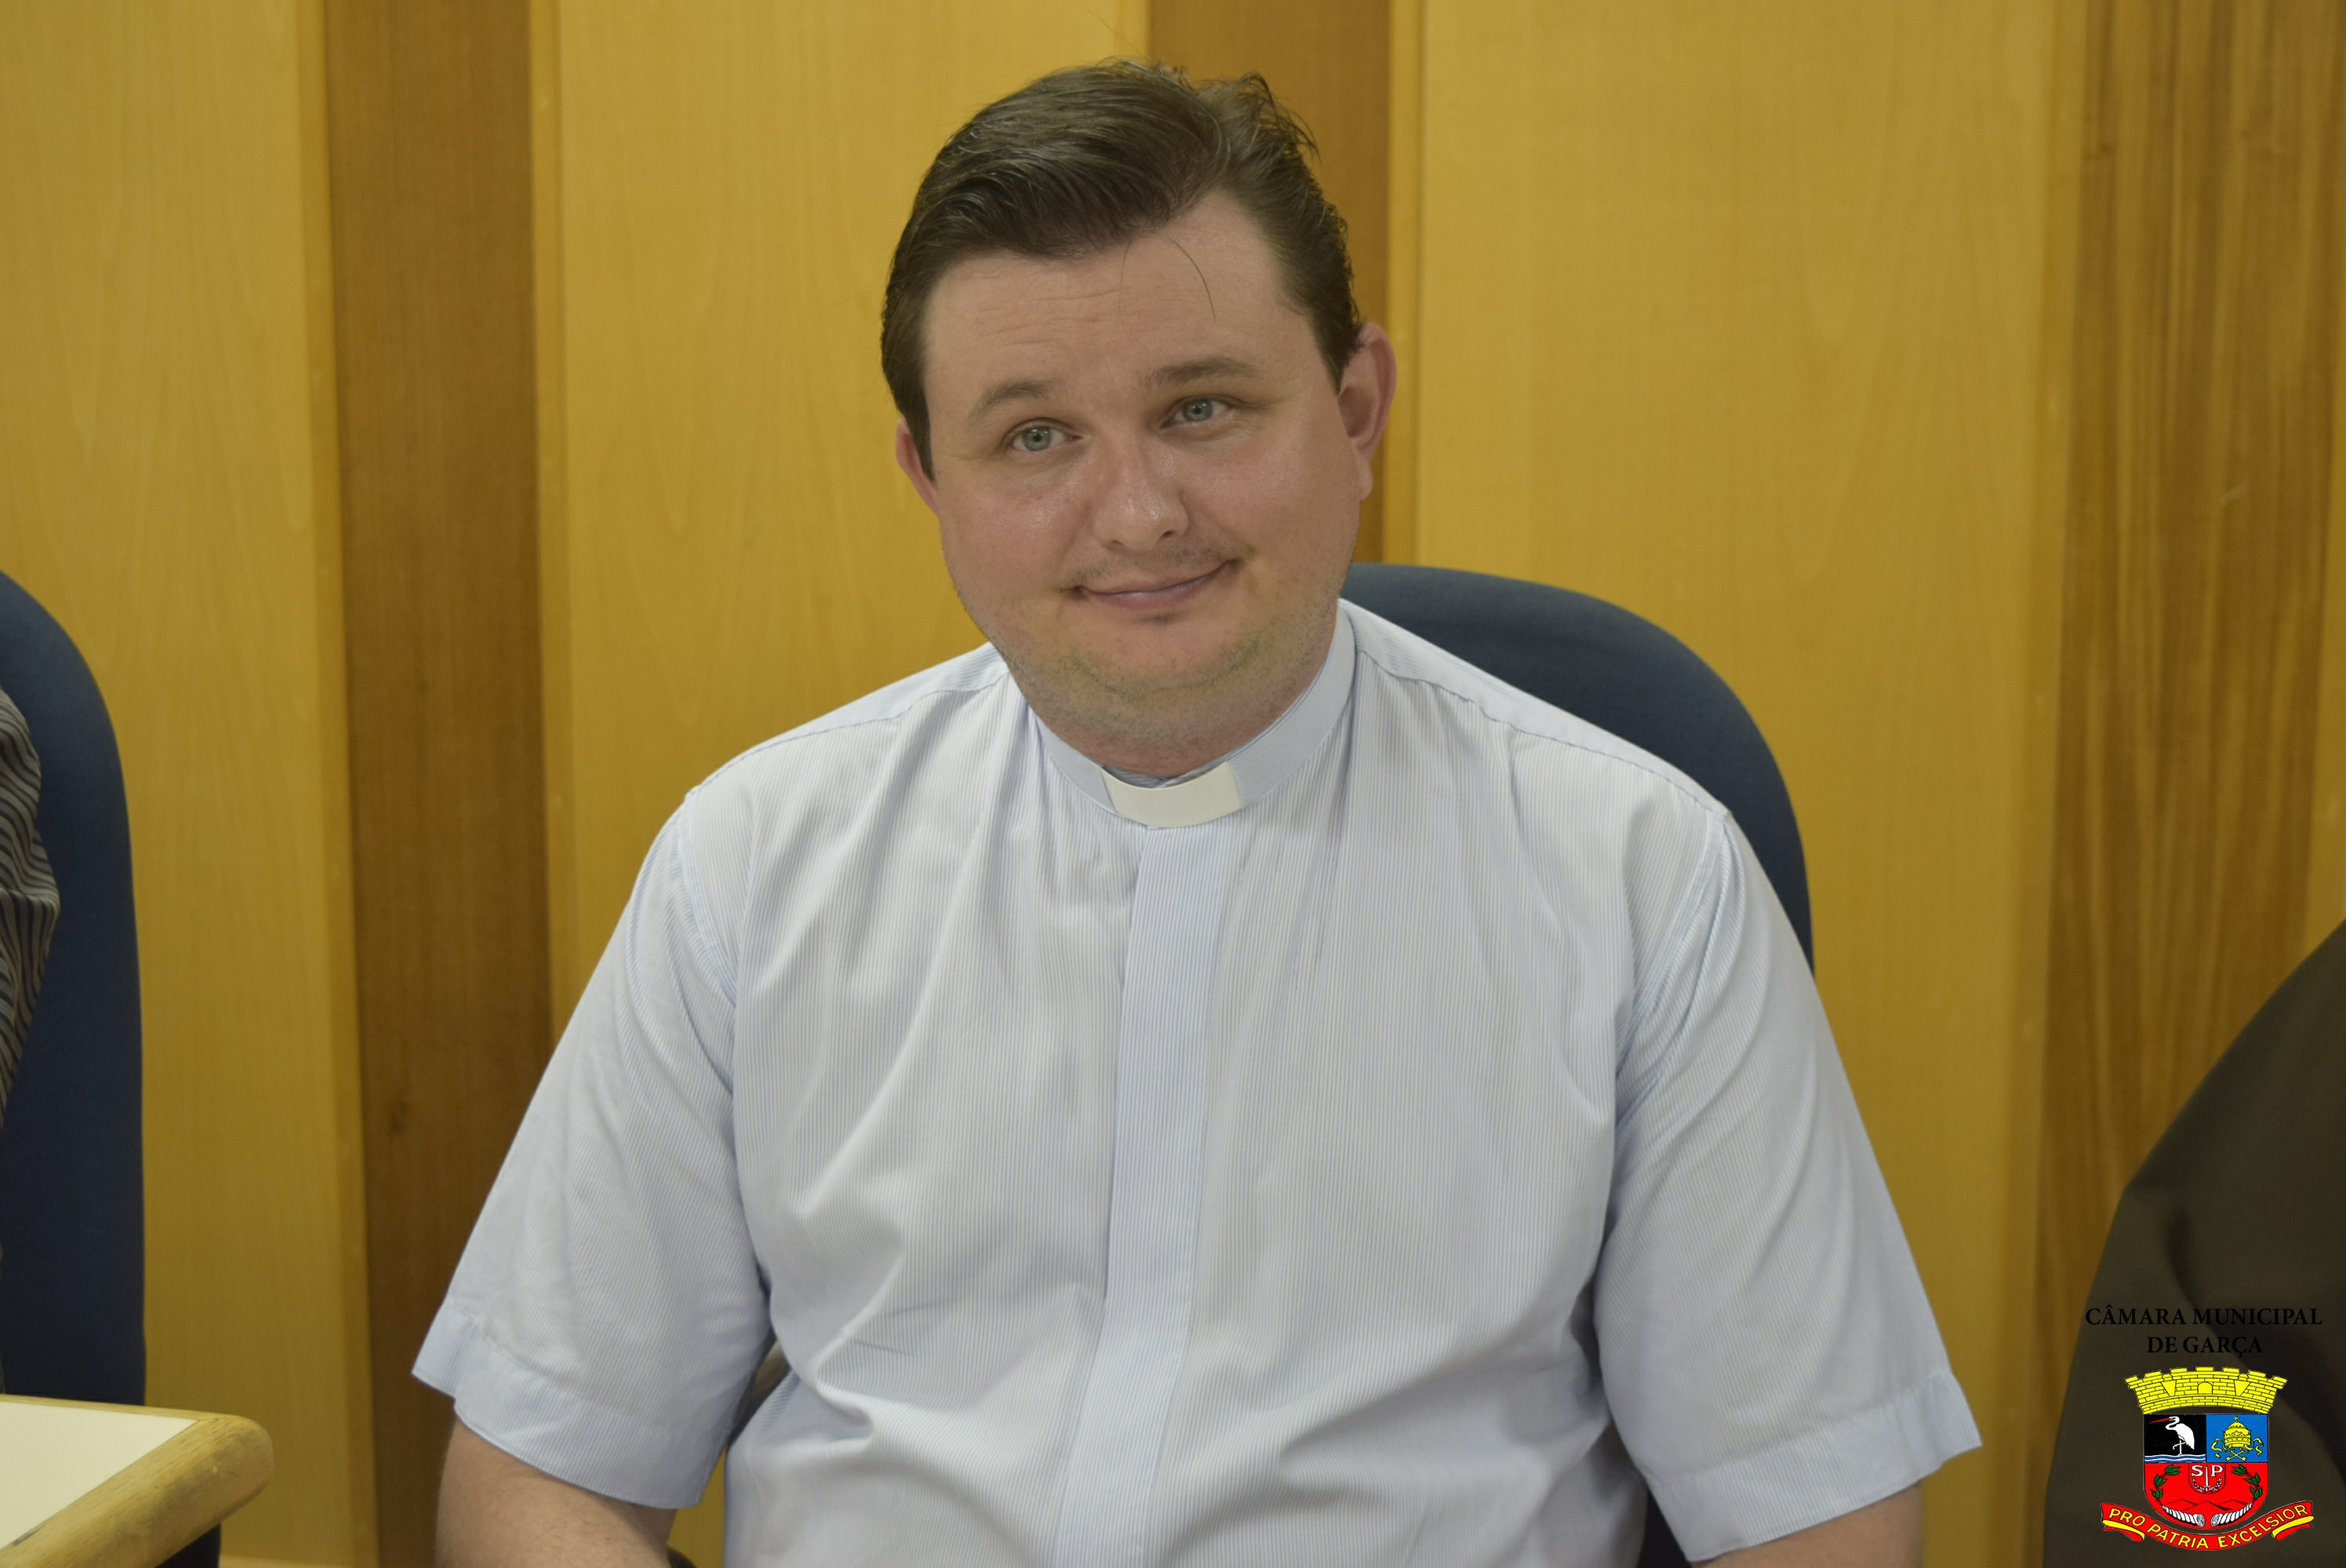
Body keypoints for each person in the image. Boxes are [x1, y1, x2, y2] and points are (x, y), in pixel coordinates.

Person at [424, 61, 1977, 1566]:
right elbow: (536, 1471)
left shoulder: (1643, 877)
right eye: (1034, 437)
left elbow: (1814, 1516)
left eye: (1204, 408)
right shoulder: (752, 864)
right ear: (930, 480)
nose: (1138, 513)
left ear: (1355, 408)